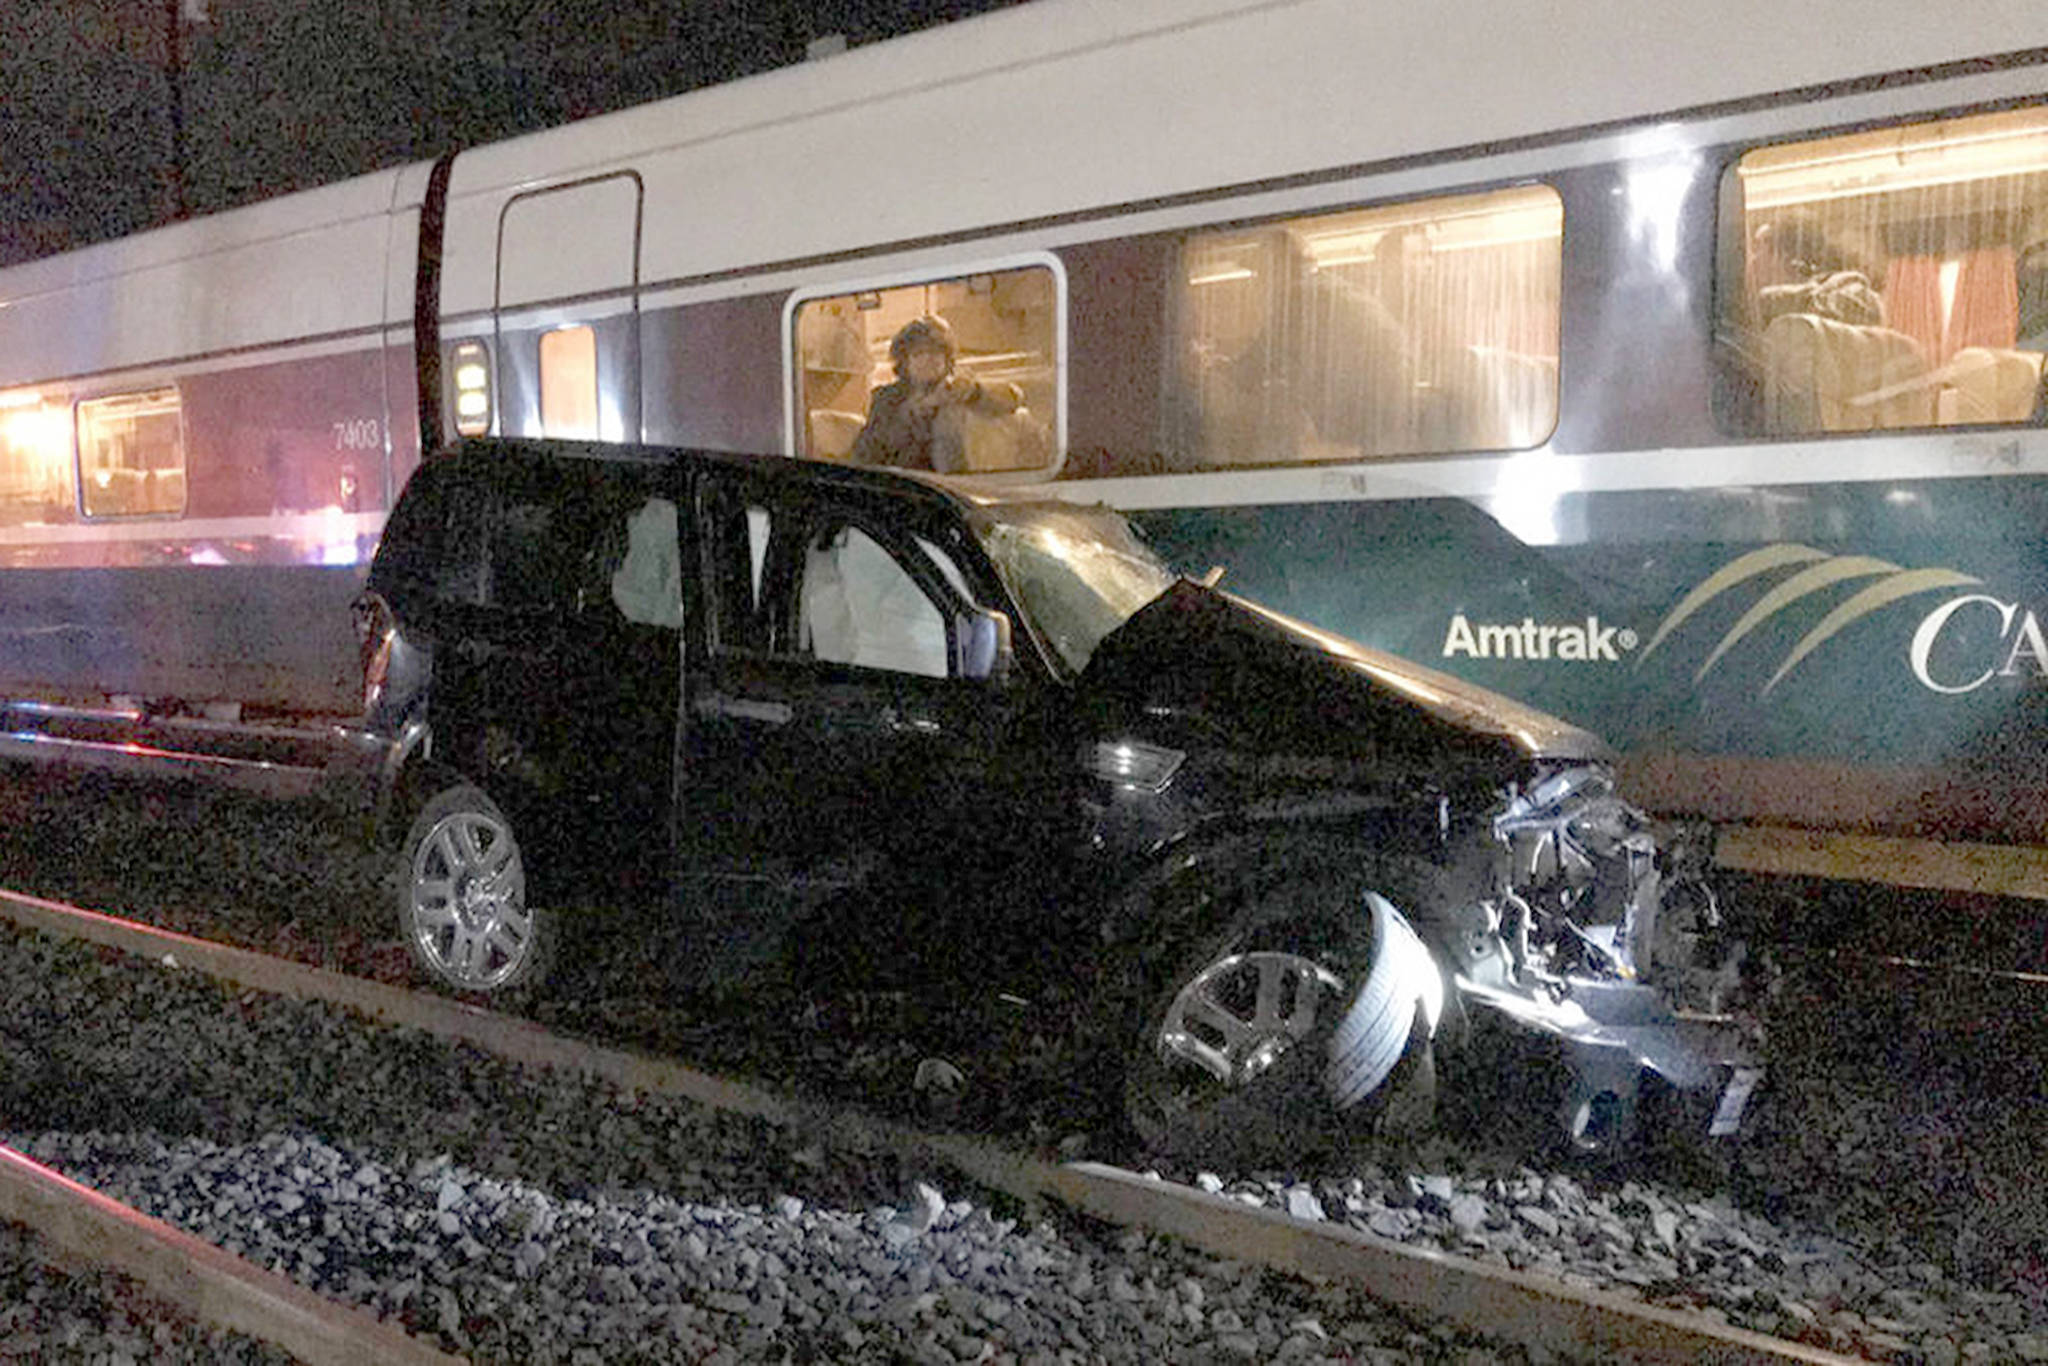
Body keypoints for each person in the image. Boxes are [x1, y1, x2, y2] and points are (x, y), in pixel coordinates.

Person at [850, 316, 1020, 472]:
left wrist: (974, 392)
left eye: (934, 352)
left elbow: (1013, 397)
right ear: (904, 362)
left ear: (947, 359)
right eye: (918, 354)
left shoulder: (958, 388)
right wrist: (914, 412)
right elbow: (866, 453)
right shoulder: (886, 398)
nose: (927, 360)